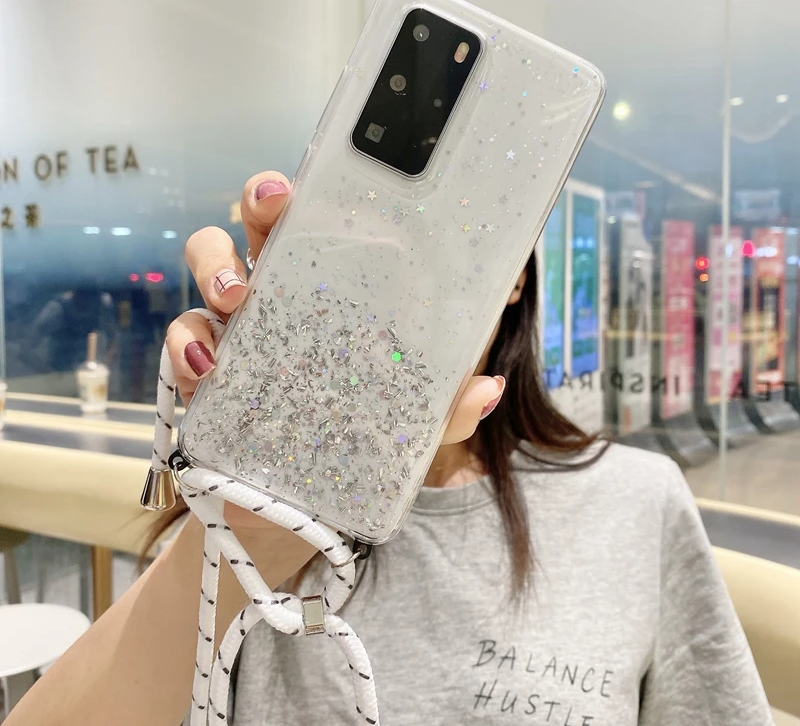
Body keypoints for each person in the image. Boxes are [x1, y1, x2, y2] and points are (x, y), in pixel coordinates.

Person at [8, 171, 773, 726]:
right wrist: (259, 528)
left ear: (515, 274)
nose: (407, 280)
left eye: (451, 238)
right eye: (371, 245)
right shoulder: (253, 516)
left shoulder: (634, 503)